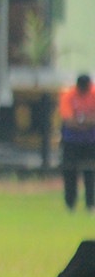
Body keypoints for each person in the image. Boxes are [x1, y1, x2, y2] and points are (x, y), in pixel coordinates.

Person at [59, 73, 95, 212]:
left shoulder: (93, 93)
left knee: (90, 173)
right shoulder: (69, 95)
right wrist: (86, 121)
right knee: (70, 172)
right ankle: (70, 205)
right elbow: (68, 120)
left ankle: (90, 205)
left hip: (90, 141)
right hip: (71, 141)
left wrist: (80, 121)